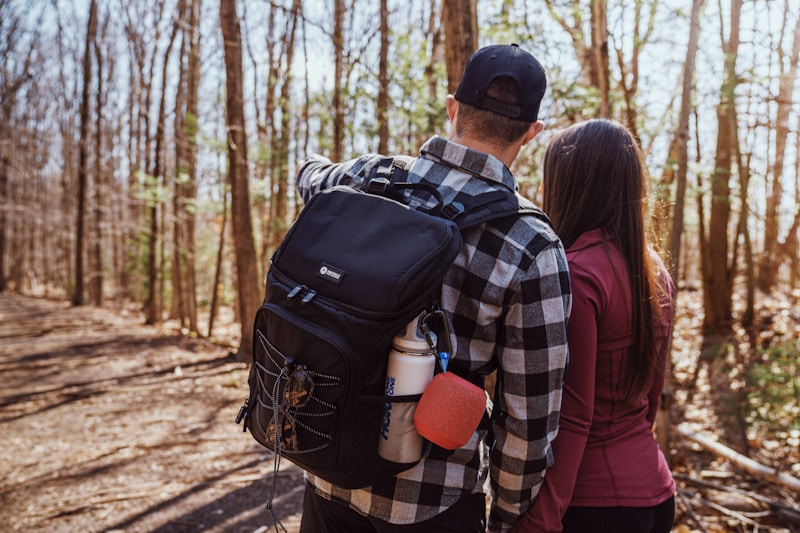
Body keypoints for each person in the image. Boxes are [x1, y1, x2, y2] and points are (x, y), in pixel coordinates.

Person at [294, 44, 571, 533]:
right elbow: (527, 422)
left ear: (452, 108)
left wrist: (313, 167)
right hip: (432, 507)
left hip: (329, 479)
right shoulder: (531, 245)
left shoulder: (368, 177)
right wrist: (506, 514)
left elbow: (311, 176)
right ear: (532, 133)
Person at [512, 118, 676, 533]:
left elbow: (574, 414)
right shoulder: (653, 270)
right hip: (656, 492)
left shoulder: (578, 274)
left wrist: (541, 518)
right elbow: (651, 393)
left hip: (594, 505)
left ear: (571, 186)